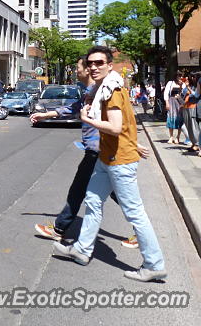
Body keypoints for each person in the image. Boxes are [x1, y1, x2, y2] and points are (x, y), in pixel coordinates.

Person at [52, 45, 166, 282]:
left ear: (109, 66)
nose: (93, 67)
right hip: (107, 157)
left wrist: (86, 119)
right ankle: (82, 250)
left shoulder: (111, 91)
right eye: (91, 63)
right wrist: (133, 142)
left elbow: (115, 127)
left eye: (99, 63)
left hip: (118, 161)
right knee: (93, 200)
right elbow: (128, 124)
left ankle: (154, 264)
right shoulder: (107, 88)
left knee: (134, 213)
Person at [31, 55, 144, 248]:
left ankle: (61, 231)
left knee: (82, 190)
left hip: (99, 150)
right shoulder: (91, 91)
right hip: (96, 150)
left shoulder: (100, 91)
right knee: (109, 193)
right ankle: (139, 232)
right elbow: (74, 108)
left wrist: (131, 142)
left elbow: (119, 120)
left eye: (78, 68)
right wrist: (46, 114)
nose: (77, 71)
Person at [180, 74, 199, 152]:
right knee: (188, 127)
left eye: (191, 77)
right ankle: (193, 143)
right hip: (186, 107)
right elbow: (184, 94)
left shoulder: (197, 86)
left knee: (194, 127)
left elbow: (196, 95)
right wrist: (183, 86)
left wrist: (188, 87)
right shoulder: (188, 86)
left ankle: (197, 144)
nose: (188, 79)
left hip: (193, 107)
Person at [163, 72, 183, 144]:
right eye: (178, 75)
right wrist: (167, 102)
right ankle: (171, 136)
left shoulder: (183, 84)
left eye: (180, 76)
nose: (179, 77)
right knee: (171, 118)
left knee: (180, 119)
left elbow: (183, 93)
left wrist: (181, 86)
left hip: (179, 102)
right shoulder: (170, 83)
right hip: (171, 101)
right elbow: (166, 92)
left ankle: (178, 137)